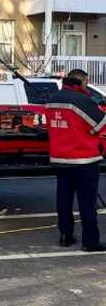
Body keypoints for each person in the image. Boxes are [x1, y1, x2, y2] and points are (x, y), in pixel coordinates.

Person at [45, 69, 106, 252]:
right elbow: (101, 124)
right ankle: (90, 241)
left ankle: (65, 236)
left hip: (60, 159)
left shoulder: (52, 99)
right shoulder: (82, 100)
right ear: (82, 81)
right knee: (87, 203)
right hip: (84, 160)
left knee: (63, 201)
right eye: (86, 81)